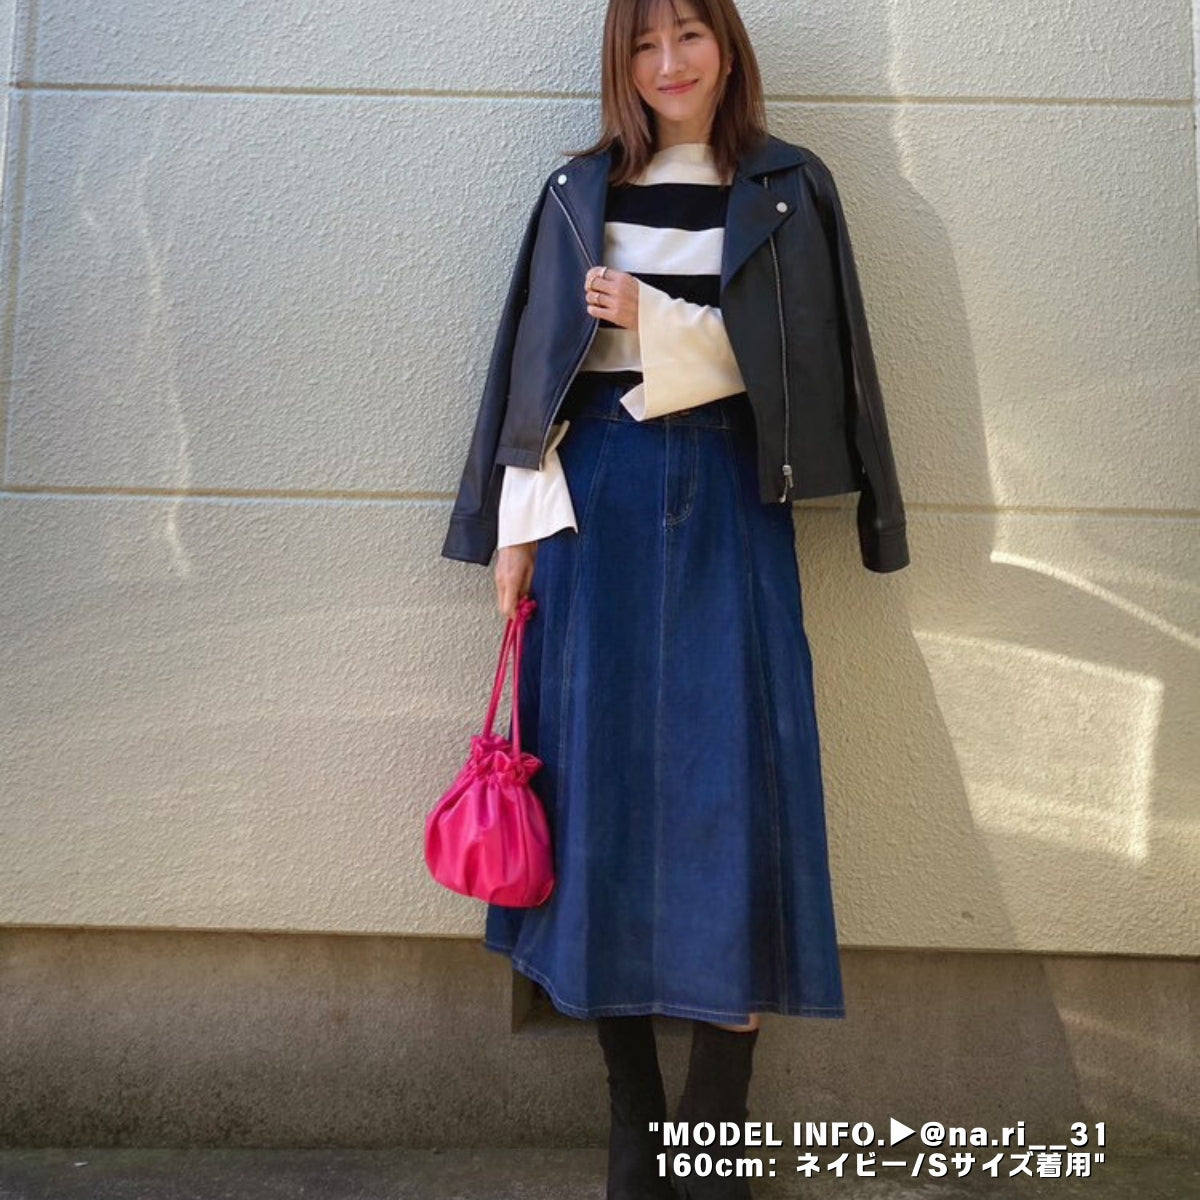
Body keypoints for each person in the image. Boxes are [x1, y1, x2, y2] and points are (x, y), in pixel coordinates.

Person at [440, 0, 909, 1195]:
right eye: (644, 44)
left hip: (731, 502)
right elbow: (534, 373)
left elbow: (811, 368)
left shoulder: (787, 187)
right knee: (594, 795)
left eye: (689, 34)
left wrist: (663, 321)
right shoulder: (577, 190)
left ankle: (714, 1125)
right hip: (593, 510)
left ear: (727, 45)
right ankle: (634, 1123)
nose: (668, 63)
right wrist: (512, 538)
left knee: (730, 792)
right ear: (622, 62)